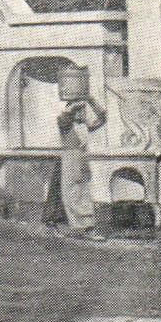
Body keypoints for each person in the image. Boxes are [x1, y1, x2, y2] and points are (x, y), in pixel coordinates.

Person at [57, 93, 107, 240]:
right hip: (70, 159)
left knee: (83, 191)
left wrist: (92, 101)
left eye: (83, 111)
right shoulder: (65, 125)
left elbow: (103, 117)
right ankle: (81, 227)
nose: (83, 114)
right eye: (80, 111)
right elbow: (64, 117)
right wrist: (74, 105)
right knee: (72, 192)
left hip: (82, 158)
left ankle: (86, 227)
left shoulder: (84, 126)